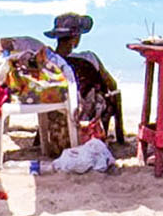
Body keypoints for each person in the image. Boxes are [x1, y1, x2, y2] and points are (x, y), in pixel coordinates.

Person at [44, 12, 123, 140]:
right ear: (75, 38)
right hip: (84, 116)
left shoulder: (48, 61)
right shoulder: (88, 58)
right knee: (108, 95)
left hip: (55, 115)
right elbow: (111, 84)